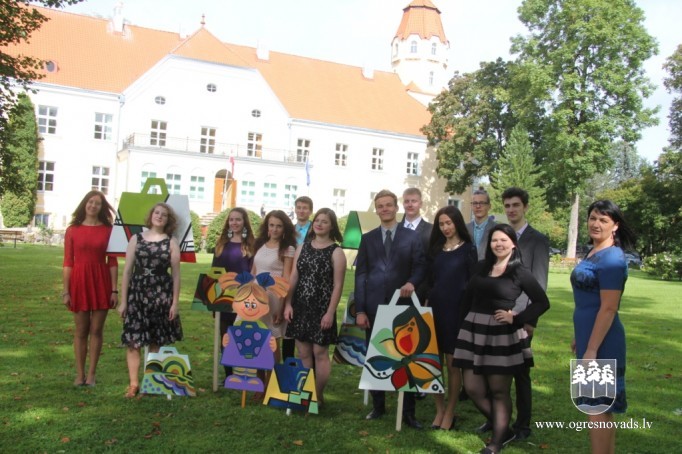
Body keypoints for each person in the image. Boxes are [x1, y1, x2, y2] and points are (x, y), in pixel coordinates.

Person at [453, 224, 549, 454]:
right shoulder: (481, 267)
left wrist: (516, 318)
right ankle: (504, 429)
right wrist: (461, 327)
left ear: (513, 244)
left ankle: (496, 442)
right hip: (473, 330)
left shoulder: (519, 272)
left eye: (504, 240)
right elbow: (467, 298)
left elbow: (542, 302)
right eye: (495, 240)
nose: (498, 244)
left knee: (499, 391)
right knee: (473, 388)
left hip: (500, 335)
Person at [354, 189, 426, 429]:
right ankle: (378, 406)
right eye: (380, 206)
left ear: (396, 207)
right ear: (376, 210)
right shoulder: (368, 239)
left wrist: (412, 283)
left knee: (407, 358)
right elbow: (361, 275)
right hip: (374, 307)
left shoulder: (411, 237)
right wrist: (360, 310)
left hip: (403, 305)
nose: (384, 209)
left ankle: (408, 412)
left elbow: (421, 266)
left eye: (388, 205)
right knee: (376, 355)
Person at [571, 200, 635, 454]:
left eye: (603, 220)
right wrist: (580, 337)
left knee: (596, 408)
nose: (596, 224)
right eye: (593, 218)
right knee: (598, 409)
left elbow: (609, 308)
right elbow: (587, 301)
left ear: (615, 225)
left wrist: (591, 349)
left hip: (603, 342)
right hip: (589, 337)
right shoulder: (594, 252)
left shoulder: (612, 258)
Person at [118, 203, 183, 398]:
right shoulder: (136, 239)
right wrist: (123, 301)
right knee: (133, 341)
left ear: (168, 220)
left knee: (156, 341)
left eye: (164, 215)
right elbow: (127, 272)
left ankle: (151, 383)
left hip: (161, 296)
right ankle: (133, 384)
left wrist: (175, 303)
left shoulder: (171, 242)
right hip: (137, 295)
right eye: (157, 212)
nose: (159, 216)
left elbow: (176, 275)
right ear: (151, 215)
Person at [500, 187, 550, 440]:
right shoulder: (500, 237)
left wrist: (530, 321)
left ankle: (522, 425)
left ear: (525, 207)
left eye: (516, 205)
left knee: (520, 373)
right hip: (499, 314)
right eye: (507, 205)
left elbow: (539, 283)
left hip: (522, 316)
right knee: (498, 372)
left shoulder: (537, 240)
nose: (511, 210)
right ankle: (497, 421)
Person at [284, 208, 346, 405]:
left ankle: (318, 395)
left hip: (322, 310)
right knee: (303, 353)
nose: (319, 224)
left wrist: (330, 313)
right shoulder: (302, 247)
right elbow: (294, 277)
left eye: (324, 221)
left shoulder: (336, 252)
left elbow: (338, 286)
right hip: (300, 307)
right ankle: (306, 393)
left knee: (320, 353)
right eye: (317, 220)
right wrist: (287, 304)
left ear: (332, 226)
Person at [425, 206, 477, 430]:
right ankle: (439, 409)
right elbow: (430, 280)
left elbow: (473, 284)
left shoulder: (469, 250)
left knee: (452, 363)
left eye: (449, 223)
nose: (445, 227)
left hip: (457, 312)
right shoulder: (435, 250)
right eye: (441, 224)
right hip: (434, 310)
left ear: (457, 223)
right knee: (433, 362)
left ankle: (451, 410)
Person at [62, 190, 119, 387]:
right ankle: (80, 375)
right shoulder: (72, 230)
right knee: (81, 331)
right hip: (79, 282)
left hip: (101, 281)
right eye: (90, 202)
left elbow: (112, 262)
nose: (93, 205)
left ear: (102, 208)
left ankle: (92, 374)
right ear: (84, 204)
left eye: (97, 203)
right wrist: (66, 291)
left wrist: (114, 290)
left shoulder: (108, 230)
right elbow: (68, 262)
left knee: (96, 330)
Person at [212, 208, 255, 377]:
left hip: (243, 296)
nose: (234, 223)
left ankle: (243, 373)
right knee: (225, 336)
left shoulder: (251, 245)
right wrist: (213, 300)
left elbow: (253, 273)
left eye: (238, 219)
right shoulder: (221, 245)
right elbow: (214, 273)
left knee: (242, 335)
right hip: (223, 297)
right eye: (231, 220)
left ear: (244, 222)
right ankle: (229, 374)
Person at [251, 210, 296, 364]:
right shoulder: (259, 244)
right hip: (255, 296)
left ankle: (274, 375)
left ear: (285, 228)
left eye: (279, 226)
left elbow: (286, 278)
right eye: (271, 225)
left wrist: (282, 305)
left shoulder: (288, 248)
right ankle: (259, 376)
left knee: (271, 339)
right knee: (256, 337)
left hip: (274, 297)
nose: (274, 229)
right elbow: (253, 271)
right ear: (267, 226)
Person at [402, 187, 433, 304]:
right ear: (403, 204)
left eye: (414, 201)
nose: (410, 204)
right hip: (395, 292)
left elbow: (433, 264)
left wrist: (428, 293)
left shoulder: (431, 231)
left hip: (421, 292)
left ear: (420, 204)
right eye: (407, 201)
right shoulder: (395, 229)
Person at [466, 189, 496, 261]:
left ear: (489, 206)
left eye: (482, 203)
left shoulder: (497, 229)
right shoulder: (464, 229)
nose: (478, 206)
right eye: (475, 203)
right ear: (471, 206)